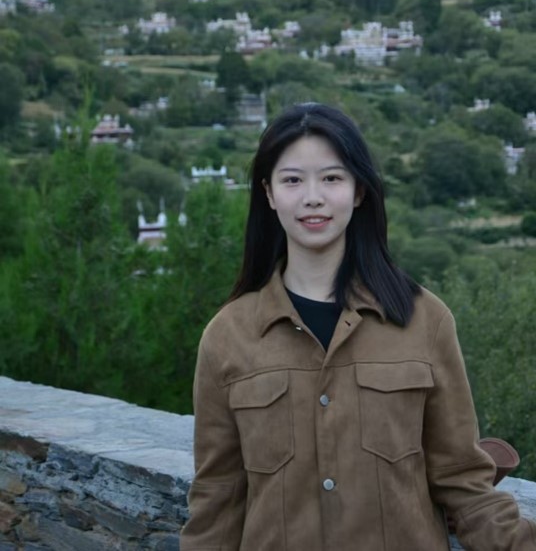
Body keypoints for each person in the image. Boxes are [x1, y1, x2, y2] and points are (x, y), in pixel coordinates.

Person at [180, 102, 536, 551]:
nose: (313, 197)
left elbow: (463, 483)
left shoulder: (424, 320)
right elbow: (217, 501)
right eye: (292, 180)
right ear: (268, 193)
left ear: (359, 191)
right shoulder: (227, 336)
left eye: (332, 178)